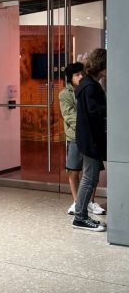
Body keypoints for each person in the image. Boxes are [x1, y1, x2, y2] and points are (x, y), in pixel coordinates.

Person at [59, 62, 105, 216]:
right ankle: (76, 201)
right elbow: (69, 115)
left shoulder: (88, 88)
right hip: (74, 136)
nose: (80, 77)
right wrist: (83, 124)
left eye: (82, 74)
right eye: (77, 75)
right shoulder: (65, 94)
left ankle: (90, 202)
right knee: (74, 170)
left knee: (92, 170)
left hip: (91, 136)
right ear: (70, 78)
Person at [73, 48, 107, 232]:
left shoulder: (86, 84)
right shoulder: (91, 87)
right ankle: (80, 217)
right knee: (89, 178)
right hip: (91, 139)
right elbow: (96, 112)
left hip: (88, 138)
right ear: (101, 66)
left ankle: (81, 215)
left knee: (90, 177)